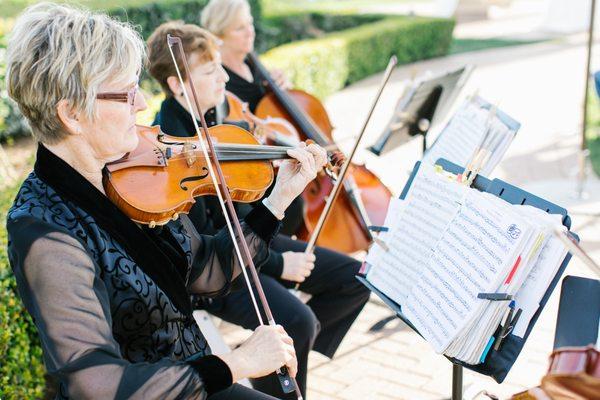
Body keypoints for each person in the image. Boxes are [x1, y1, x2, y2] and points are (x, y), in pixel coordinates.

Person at [5, 4, 328, 399]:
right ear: (72, 114)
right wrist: (239, 363)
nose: (142, 104)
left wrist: (278, 200)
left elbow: (205, 270)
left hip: (193, 378)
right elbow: (96, 386)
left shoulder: (131, 172)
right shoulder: (43, 230)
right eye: (126, 93)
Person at [147, 21, 371, 399]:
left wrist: (285, 169)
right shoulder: (169, 143)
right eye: (208, 71)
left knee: (355, 277)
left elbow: (248, 206)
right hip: (213, 269)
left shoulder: (219, 121)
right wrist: (279, 265)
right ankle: (276, 380)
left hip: (251, 238)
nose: (222, 77)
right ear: (175, 85)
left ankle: (280, 366)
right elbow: (203, 243)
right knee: (296, 320)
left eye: (220, 66)